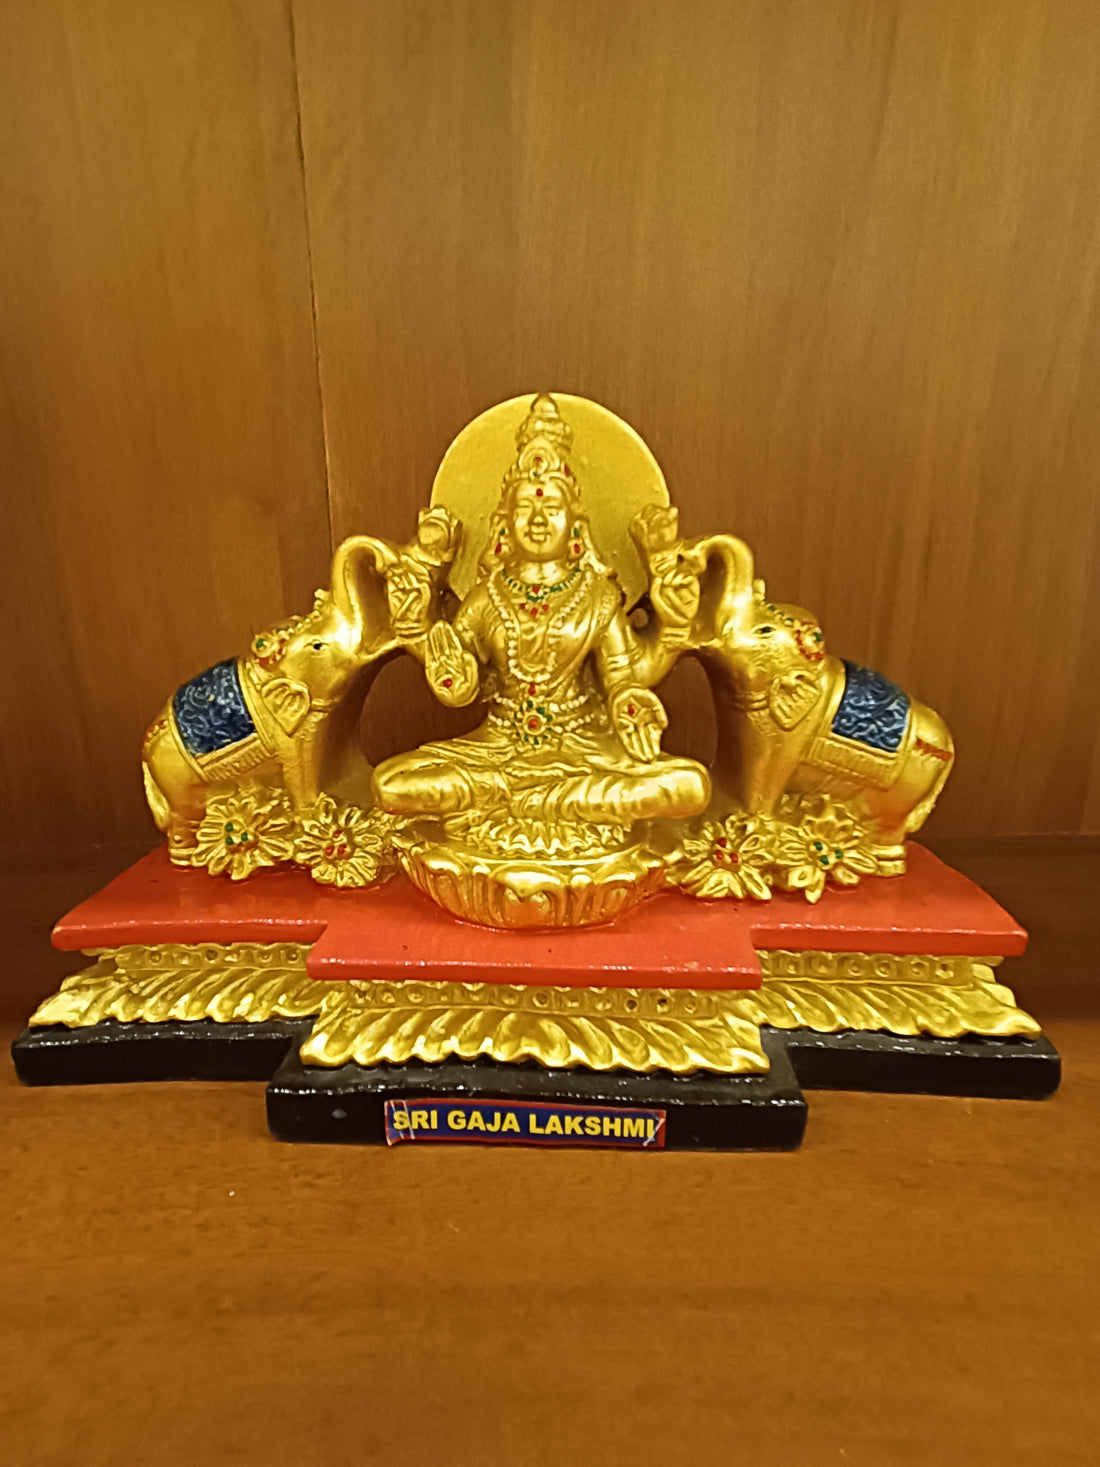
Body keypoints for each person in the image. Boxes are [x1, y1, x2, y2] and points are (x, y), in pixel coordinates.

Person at [372, 396, 709, 848]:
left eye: (551, 507)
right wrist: (450, 670)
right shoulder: (486, 597)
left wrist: (631, 702)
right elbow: (459, 683)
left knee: (688, 785)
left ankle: (518, 801)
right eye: (524, 509)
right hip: (499, 747)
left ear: (575, 524)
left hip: (582, 747)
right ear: (503, 523)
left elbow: (623, 677)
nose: (537, 520)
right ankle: (548, 802)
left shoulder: (598, 596)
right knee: (391, 783)